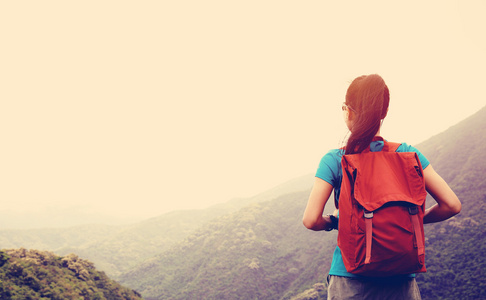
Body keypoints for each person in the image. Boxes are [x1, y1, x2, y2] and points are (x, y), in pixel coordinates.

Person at [302, 74, 461, 300]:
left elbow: (311, 220)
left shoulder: (335, 159)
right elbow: (452, 205)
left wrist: (336, 221)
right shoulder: (407, 153)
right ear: (383, 113)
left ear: (348, 111)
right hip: (401, 279)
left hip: (350, 279)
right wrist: (405, 219)